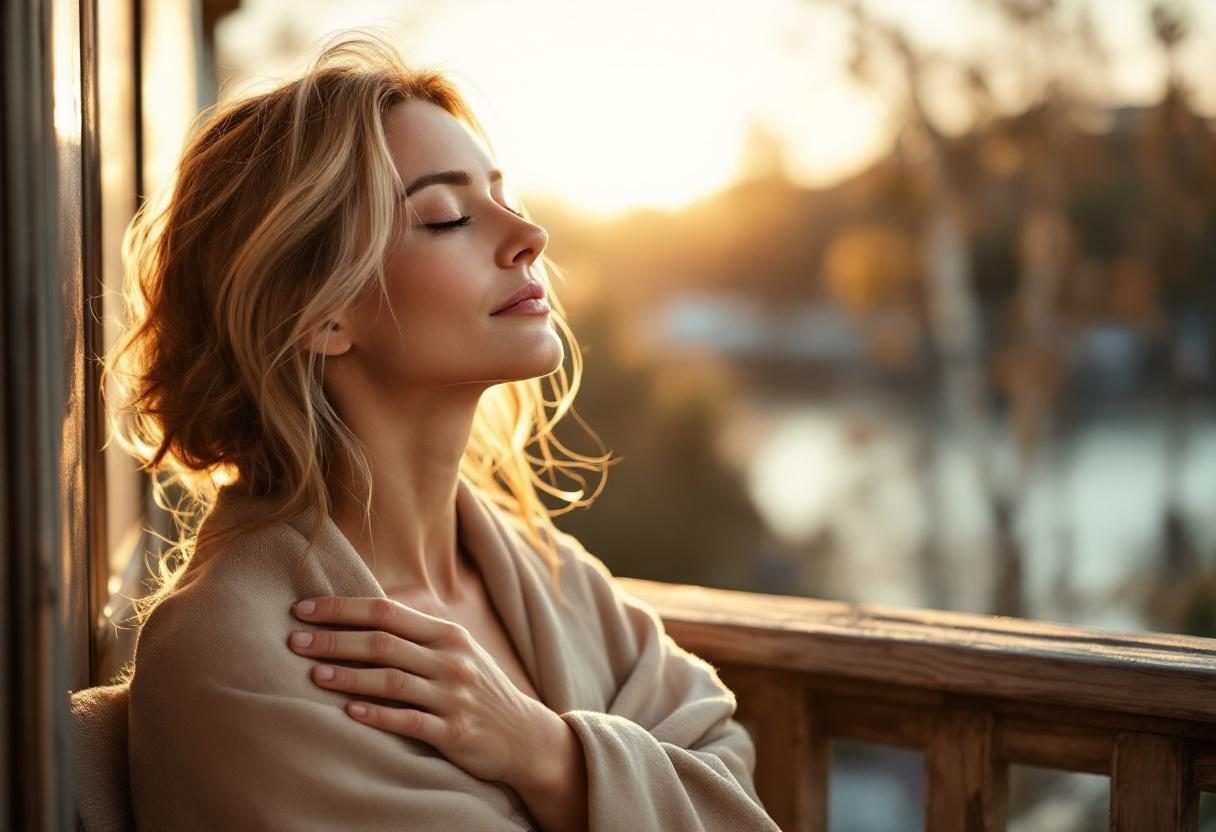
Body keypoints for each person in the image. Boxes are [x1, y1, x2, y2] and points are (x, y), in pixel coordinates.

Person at [94, 30, 779, 832]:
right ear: (320, 314)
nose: (530, 237)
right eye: (448, 217)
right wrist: (609, 779)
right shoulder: (233, 656)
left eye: (501, 194)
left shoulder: (549, 575)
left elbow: (725, 765)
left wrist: (545, 752)